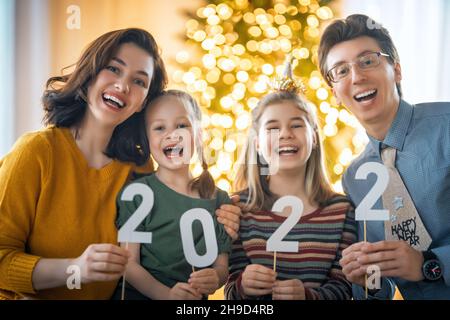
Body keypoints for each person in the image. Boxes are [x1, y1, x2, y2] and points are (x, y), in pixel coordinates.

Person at [0, 28, 240, 300]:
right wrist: (75, 269)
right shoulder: (35, 153)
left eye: (139, 81)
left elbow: (162, 249)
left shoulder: (140, 169)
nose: (124, 86)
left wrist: (219, 214)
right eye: (114, 69)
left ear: (142, 104)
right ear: (89, 73)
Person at [318, 14, 450, 299]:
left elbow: (422, 266)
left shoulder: (447, 126)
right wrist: (368, 281)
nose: (357, 77)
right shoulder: (355, 178)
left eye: (367, 61)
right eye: (341, 71)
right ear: (334, 94)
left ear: (397, 70)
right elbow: (383, 286)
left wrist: (431, 264)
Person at [225, 65, 357, 300]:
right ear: (257, 143)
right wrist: (244, 285)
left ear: (314, 138)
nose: (285, 133)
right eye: (273, 127)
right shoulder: (238, 208)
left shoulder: (342, 210)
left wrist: (309, 297)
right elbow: (231, 292)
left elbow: (345, 289)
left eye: (296, 125)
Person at [113, 90, 231, 300]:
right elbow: (129, 264)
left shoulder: (219, 200)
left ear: (198, 135)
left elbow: (222, 267)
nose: (173, 135)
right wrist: (166, 295)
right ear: (147, 140)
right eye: (160, 128)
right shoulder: (138, 194)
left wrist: (216, 277)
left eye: (182, 126)